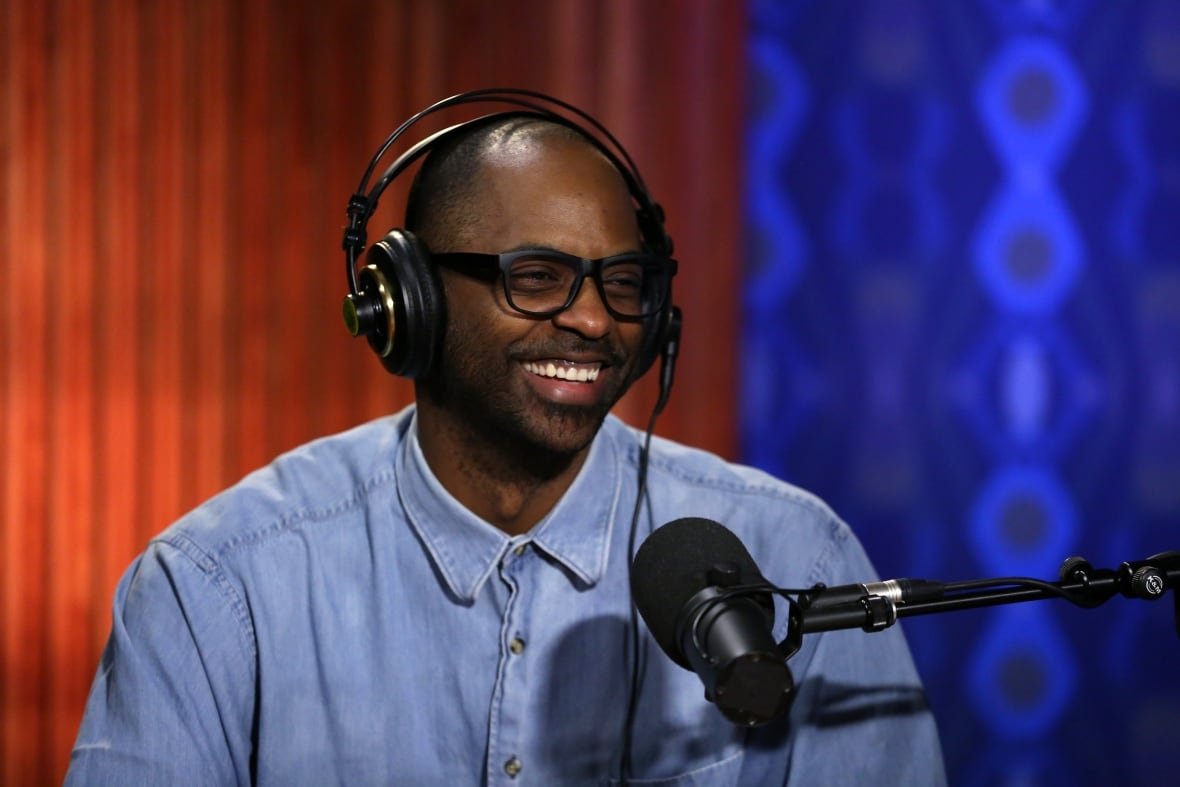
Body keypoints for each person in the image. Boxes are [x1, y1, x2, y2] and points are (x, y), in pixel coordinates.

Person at [67, 91, 945, 785]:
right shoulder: (217, 586)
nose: (596, 319)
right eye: (538, 277)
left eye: (623, 283)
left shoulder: (799, 553)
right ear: (405, 301)